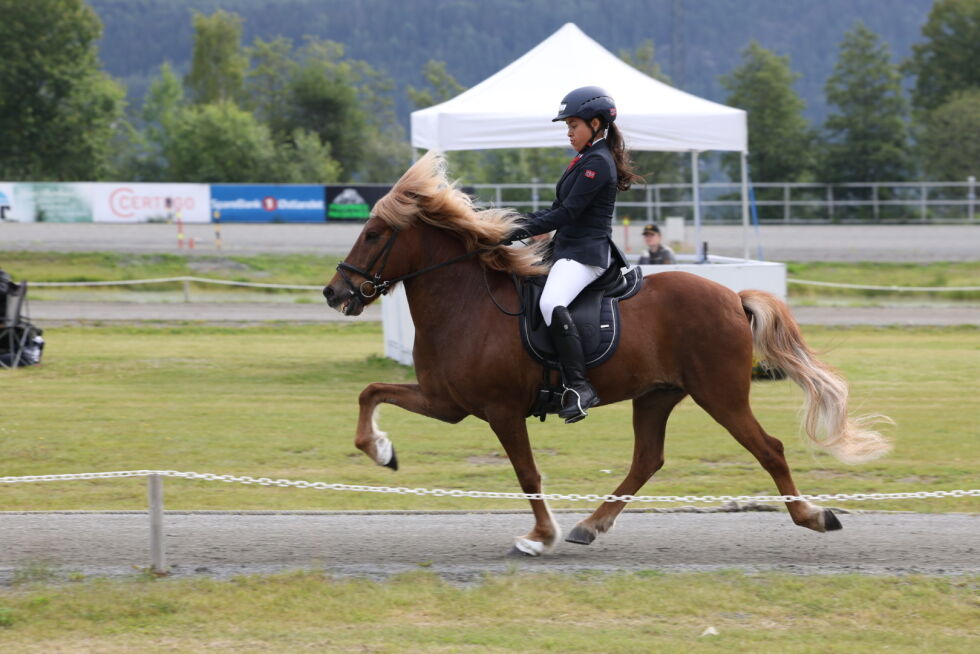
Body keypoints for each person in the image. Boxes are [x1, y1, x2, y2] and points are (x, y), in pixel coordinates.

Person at [507, 86, 642, 423]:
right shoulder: (584, 159)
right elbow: (555, 209)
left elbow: (567, 214)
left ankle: (579, 386)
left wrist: (515, 232)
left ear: (596, 124)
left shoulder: (598, 162)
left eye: (573, 125)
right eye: (567, 126)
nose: (568, 132)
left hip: (584, 255)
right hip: (565, 249)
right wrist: (513, 221)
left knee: (551, 303)